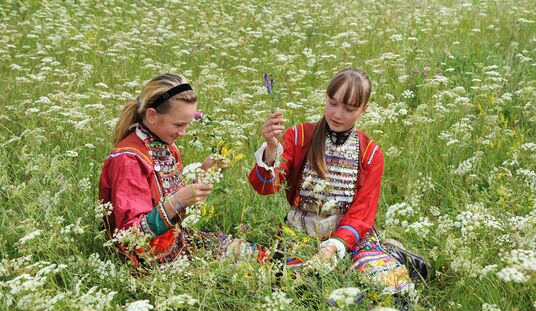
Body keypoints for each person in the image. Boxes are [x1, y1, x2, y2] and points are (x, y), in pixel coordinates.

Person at [248, 68, 414, 294]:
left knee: (392, 286)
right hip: (300, 234)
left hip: (347, 237)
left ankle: (395, 256)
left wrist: (335, 246)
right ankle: (387, 253)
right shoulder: (299, 136)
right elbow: (266, 187)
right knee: (300, 289)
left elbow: (362, 212)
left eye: (349, 109)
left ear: (363, 110)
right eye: (333, 103)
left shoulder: (370, 153)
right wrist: (270, 149)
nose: (337, 114)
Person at [99, 73, 244, 267]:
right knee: (251, 272)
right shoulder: (129, 160)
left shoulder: (167, 147)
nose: (183, 132)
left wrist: (204, 175)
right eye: (178, 124)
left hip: (182, 243)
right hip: (151, 262)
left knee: (262, 257)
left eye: (188, 124)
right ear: (151, 115)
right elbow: (129, 239)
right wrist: (179, 199)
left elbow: (178, 218)